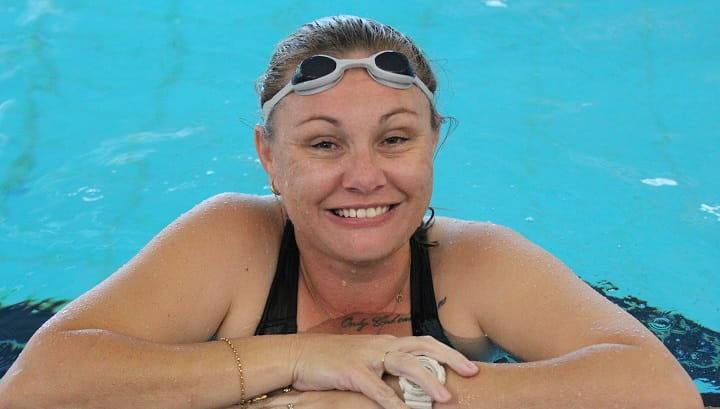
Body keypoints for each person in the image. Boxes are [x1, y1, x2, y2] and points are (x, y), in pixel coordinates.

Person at [0, 15, 702, 409]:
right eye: (324, 143)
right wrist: (305, 357)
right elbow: (35, 386)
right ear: (269, 158)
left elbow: (661, 389)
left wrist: (387, 396)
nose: (364, 177)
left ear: (435, 145)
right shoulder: (230, 241)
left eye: (395, 138)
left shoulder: (476, 259)